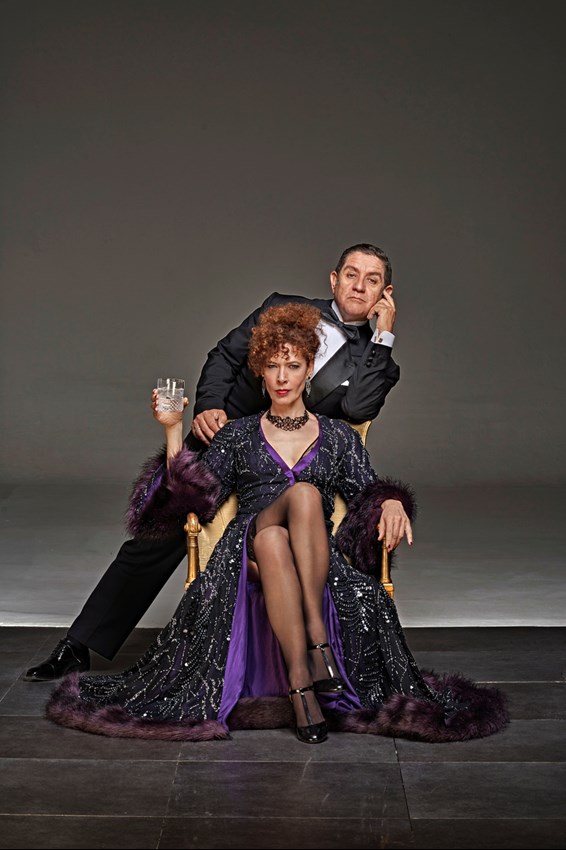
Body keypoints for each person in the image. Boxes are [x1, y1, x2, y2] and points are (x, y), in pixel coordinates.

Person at [46, 304, 508, 744]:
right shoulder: (237, 434)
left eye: (293, 366)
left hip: (304, 551)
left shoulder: (338, 437)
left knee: (277, 538)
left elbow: (368, 494)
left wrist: (391, 502)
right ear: (260, 373)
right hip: (243, 549)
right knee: (294, 504)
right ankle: (317, 642)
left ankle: (301, 686)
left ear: (309, 370)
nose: (282, 377)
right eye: (272, 366)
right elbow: (185, 500)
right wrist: (171, 429)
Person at [25, 243, 402, 683]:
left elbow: (357, 406)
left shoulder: (379, 360)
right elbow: (224, 356)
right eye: (351, 274)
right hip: (224, 439)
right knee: (156, 536)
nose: (359, 286)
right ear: (334, 279)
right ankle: (79, 645)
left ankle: (305, 656)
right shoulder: (281, 306)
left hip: (283, 466)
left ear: (385, 293)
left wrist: (382, 335)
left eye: (372, 280)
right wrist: (208, 406)